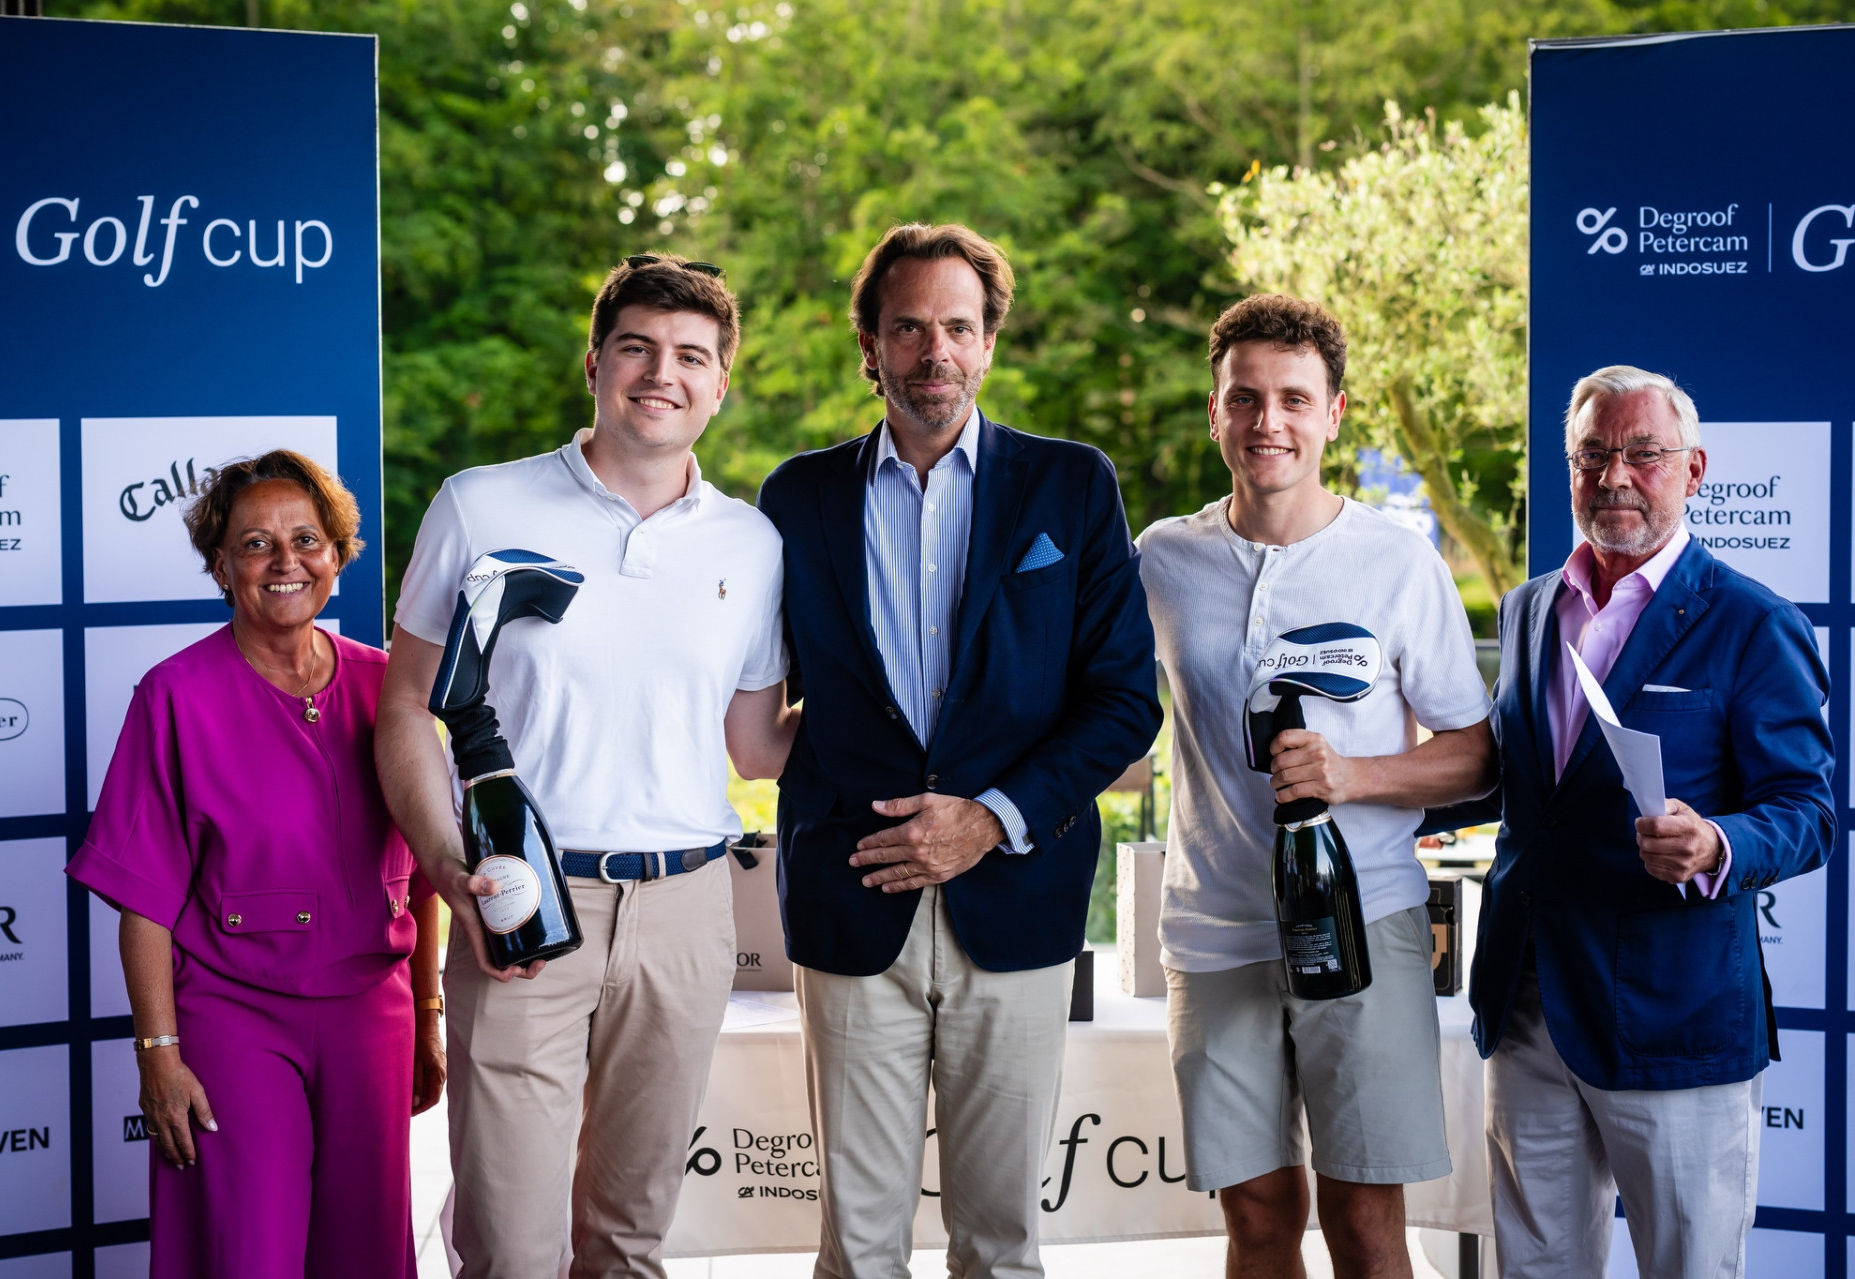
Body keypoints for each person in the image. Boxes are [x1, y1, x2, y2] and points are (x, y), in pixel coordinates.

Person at [376, 252, 798, 1279]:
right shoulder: (480, 505)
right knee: (511, 1249)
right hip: (525, 904)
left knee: (629, 1240)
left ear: (721, 383)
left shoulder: (752, 544)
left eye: (691, 356)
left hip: (690, 910)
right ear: (595, 364)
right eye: (637, 347)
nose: (663, 373)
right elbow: (404, 709)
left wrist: (906, 704)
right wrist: (448, 872)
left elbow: (755, 746)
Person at [756, 222, 1162, 1279]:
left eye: (957, 326)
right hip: (852, 896)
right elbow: (749, 691)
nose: (934, 349)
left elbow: (1126, 702)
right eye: (908, 328)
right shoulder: (797, 498)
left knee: (1002, 1244)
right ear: (870, 348)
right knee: (857, 1249)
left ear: (987, 342)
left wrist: (990, 818)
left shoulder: (1072, 485)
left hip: (1017, 896)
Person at [1136, 294, 1494, 1278]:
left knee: (1366, 1220)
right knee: (1256, 1216)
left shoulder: (1398, 561)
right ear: (1215, 411)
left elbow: (1476, 753)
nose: (1269, 422)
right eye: (1244, 398)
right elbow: (1102, 712)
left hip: (1364, 920)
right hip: (1214, 929)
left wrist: (1356, 774)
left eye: (1294, 399)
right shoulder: (1161, 559)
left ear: (1334, 414)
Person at [1463, 366, 1834, 1278]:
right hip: (1527, 1005)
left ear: (1693, 470)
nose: (1615, 475)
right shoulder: (1529, 608)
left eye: (1643, 453)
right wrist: (1362, 780)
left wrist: (1718, 843)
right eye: (1592, 454)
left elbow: (1808, 810)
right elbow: (1519, 783)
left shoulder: (1753, 622)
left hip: (1674, 1018)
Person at [66, 450, 443, 1279]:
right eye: (255, 544)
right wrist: (157, 1052)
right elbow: (143, 902)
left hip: (372, 1019)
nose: (284, 561)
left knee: (368, 1252)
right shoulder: (174, 696)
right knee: (247, 1253)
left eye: (306, 539)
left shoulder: (390, 688)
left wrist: (428, 1010)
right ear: (220, 566)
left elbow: (424, 873)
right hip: (234, 1019)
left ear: (337, 556)